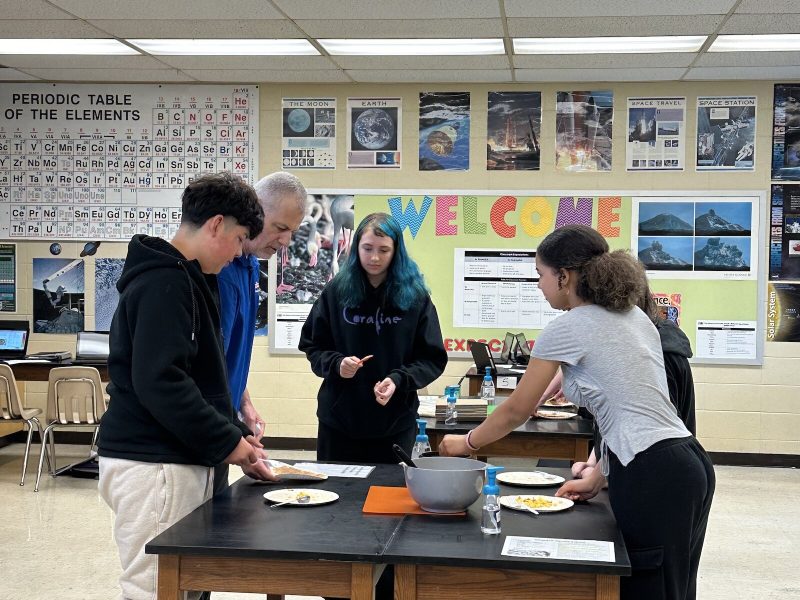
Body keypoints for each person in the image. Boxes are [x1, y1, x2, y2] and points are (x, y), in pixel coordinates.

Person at [439, 225, 714, 600]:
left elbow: (518, 409)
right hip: (688, 463)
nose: (539, 285)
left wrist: (467, 442)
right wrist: (599, 475)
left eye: (541, 275)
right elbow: (635, 407)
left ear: (564, 276)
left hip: (652, 473)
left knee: (648, 590)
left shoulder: (567, 327)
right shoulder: (636, 317)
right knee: (674, 588)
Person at [97, 172, 274, 600]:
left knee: (185, 583)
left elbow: (198, 380)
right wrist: (230, 444)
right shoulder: (166, 282)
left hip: (175, 457)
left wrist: (235, 437)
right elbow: (162, 382)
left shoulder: (186, 279)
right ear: (216, 224)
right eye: (238, 239)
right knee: (157, 587)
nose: (237, 253)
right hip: (155, 464)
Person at [299, 212, 447, 464]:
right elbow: (313, 345)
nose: (375, 257)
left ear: (396, 251)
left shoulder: (416, 298)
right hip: (339, 421)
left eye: (384, 250)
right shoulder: (335, 292)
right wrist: (337, 364)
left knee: (389, 498)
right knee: (337, 496)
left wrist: (399, 379)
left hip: (395, 422)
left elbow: (431, 358)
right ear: (356, 248)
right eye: (367, 248)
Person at [214, 171, 306, 497]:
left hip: (221, 425)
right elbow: (202, 367)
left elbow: (229, 352)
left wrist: (244, 404)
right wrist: (234, 436)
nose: (285, 242)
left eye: (292, 232)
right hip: (202, 430)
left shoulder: (251, 264)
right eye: (280, 228)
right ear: (255, 211)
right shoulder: (219, 269)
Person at [572, 277, 697, 480]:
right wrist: (594, 461)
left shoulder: (657, 356)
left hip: (659, 474)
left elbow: (647, 435)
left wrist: (597, 476)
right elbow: (616, 420)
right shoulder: (640, 346)